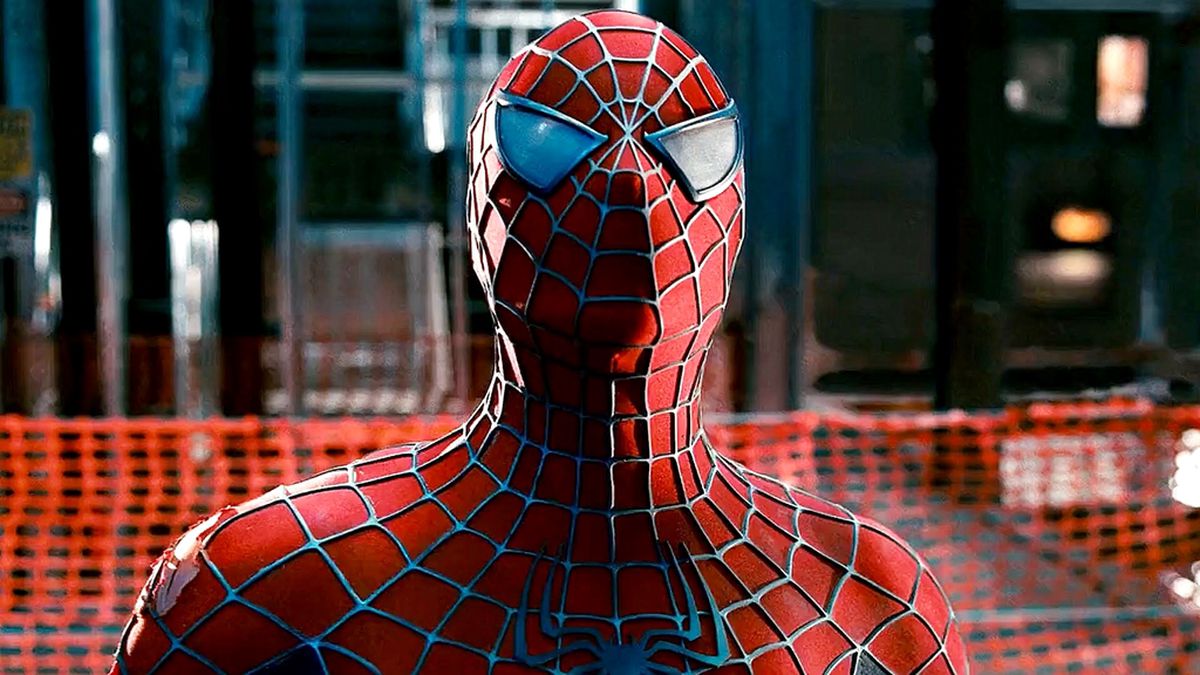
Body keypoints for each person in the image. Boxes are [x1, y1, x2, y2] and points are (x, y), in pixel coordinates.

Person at [111, 10, 968, 674]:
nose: (630, 180)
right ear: (482, 213)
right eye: (552, 144)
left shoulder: (259, 587)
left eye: (690, 148)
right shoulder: (869, 606)